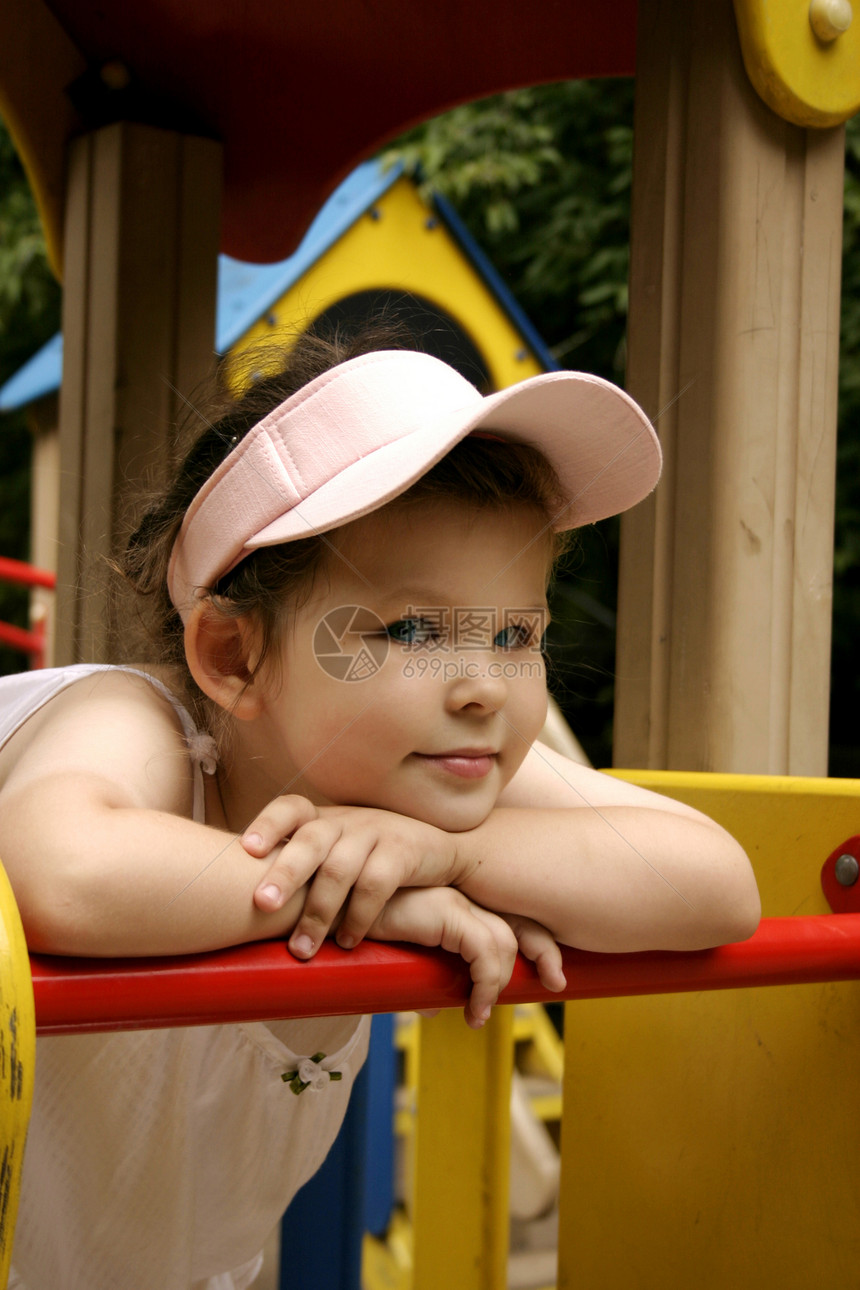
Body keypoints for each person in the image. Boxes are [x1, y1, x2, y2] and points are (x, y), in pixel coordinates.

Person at [0, 328, 760, 1290]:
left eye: (516, 633)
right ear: (234, 658)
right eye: (409, 628)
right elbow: (57, 868)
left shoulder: (427, 779)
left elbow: (718, 880)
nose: (481, 683)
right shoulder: (140, 724)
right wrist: (375, 898)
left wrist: (448, 860)